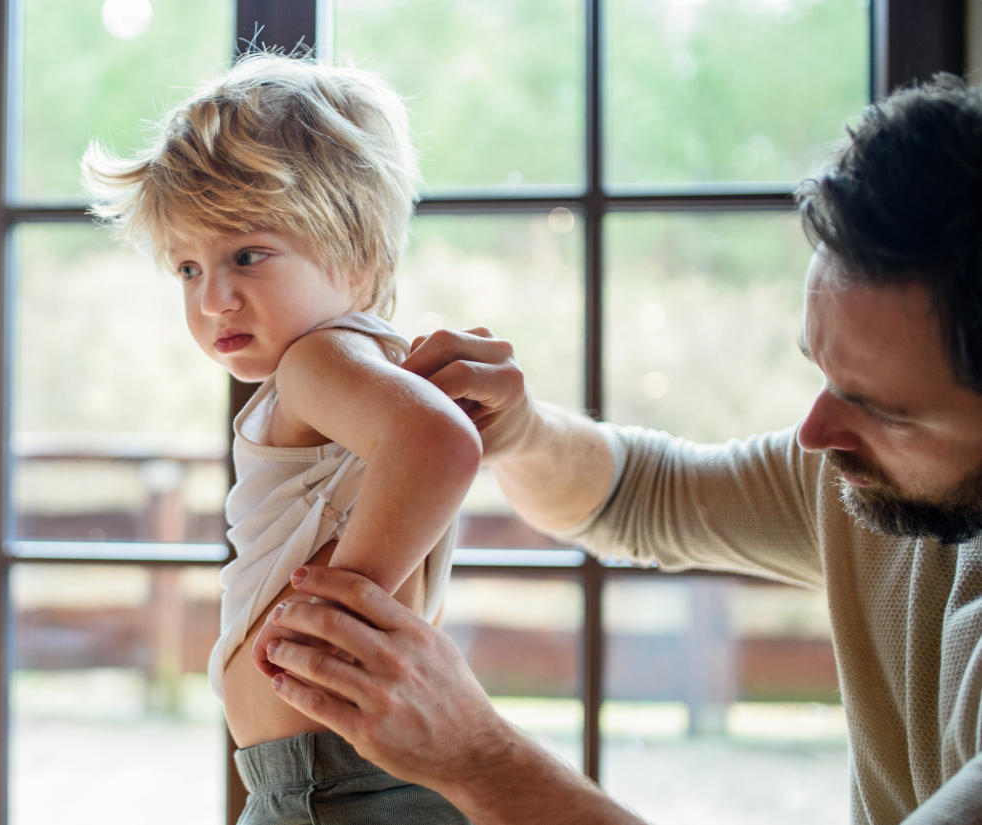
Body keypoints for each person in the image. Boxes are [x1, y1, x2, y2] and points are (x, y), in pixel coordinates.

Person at [257, 73, 982, 825]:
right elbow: (642, 493)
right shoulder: (862, 477)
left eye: (880, 408)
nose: (815, 433)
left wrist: (482, 758)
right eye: (821, 369)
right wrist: (524, 430)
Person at [82, 53, 481, 824]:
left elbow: (442, 444)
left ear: (359, 257)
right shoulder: (347, 365)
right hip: (326, 777)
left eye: (247, 256)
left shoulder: (318, 361)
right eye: (188, 268)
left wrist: (329, 623)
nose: (214, 297)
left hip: (331, 782)